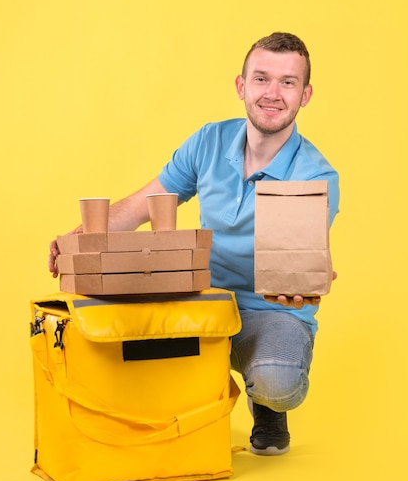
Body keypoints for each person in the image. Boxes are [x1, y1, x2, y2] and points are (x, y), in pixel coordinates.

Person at [48, 32, 339, 456]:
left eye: (288, 82)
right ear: (242, 86)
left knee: (278, 383)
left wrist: (308, 279)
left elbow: (301, 258)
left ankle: (267, 405)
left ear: (305, 95)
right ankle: (190, 403)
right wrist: (76, 240)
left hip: (269, 309)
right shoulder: (208, 141)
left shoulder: (316, 176)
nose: (273, 94)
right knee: (127, 336)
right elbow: (144, 204)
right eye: (261, 79)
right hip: (200, 299)